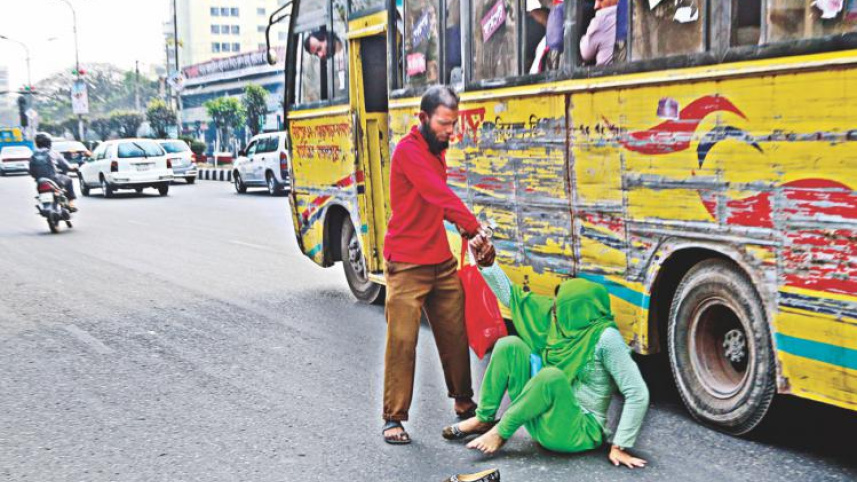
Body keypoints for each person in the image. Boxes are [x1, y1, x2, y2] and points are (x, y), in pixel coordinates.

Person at [443, 235, 650, 469]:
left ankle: (500, 433)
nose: (552, 312)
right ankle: (483, 419)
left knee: (551, 376)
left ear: (578, 313)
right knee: (509, 345)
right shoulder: (560, 321)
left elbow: (637, 392)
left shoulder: (606, 338)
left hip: (575, 433)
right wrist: (488, 266)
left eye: (559, 309)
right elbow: (514, 298)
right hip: (540, 416)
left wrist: (619, 445)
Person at [381, 85, 490, 445]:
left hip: (439, 259)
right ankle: (393, 418)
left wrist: (463, 228)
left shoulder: (435, 149)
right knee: (402, 340)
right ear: (423, 118)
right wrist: (473, 224)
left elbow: (438, 204)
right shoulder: (409, 152)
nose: (451, 131)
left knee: (454, 333)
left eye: (454, 123)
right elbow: (436, 193)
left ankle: (463, 401)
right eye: (445, 123)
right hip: (407, 263)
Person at [28, 133, 77, 212]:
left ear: (37, 143)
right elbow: (66, 166)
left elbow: (31, 171)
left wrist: (37, 178)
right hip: (54, 179)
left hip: (40, 182)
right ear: (49, 142)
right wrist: (74, 168)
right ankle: (70, 203)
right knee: (69, 180)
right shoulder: (53, 152)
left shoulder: (34, 155)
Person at [580, 0, 618, 66]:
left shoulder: (601, 20)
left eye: (601, 0)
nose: (596, 6)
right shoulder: (632, 13)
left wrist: (583, 38)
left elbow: (585, 54)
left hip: (607, 73)